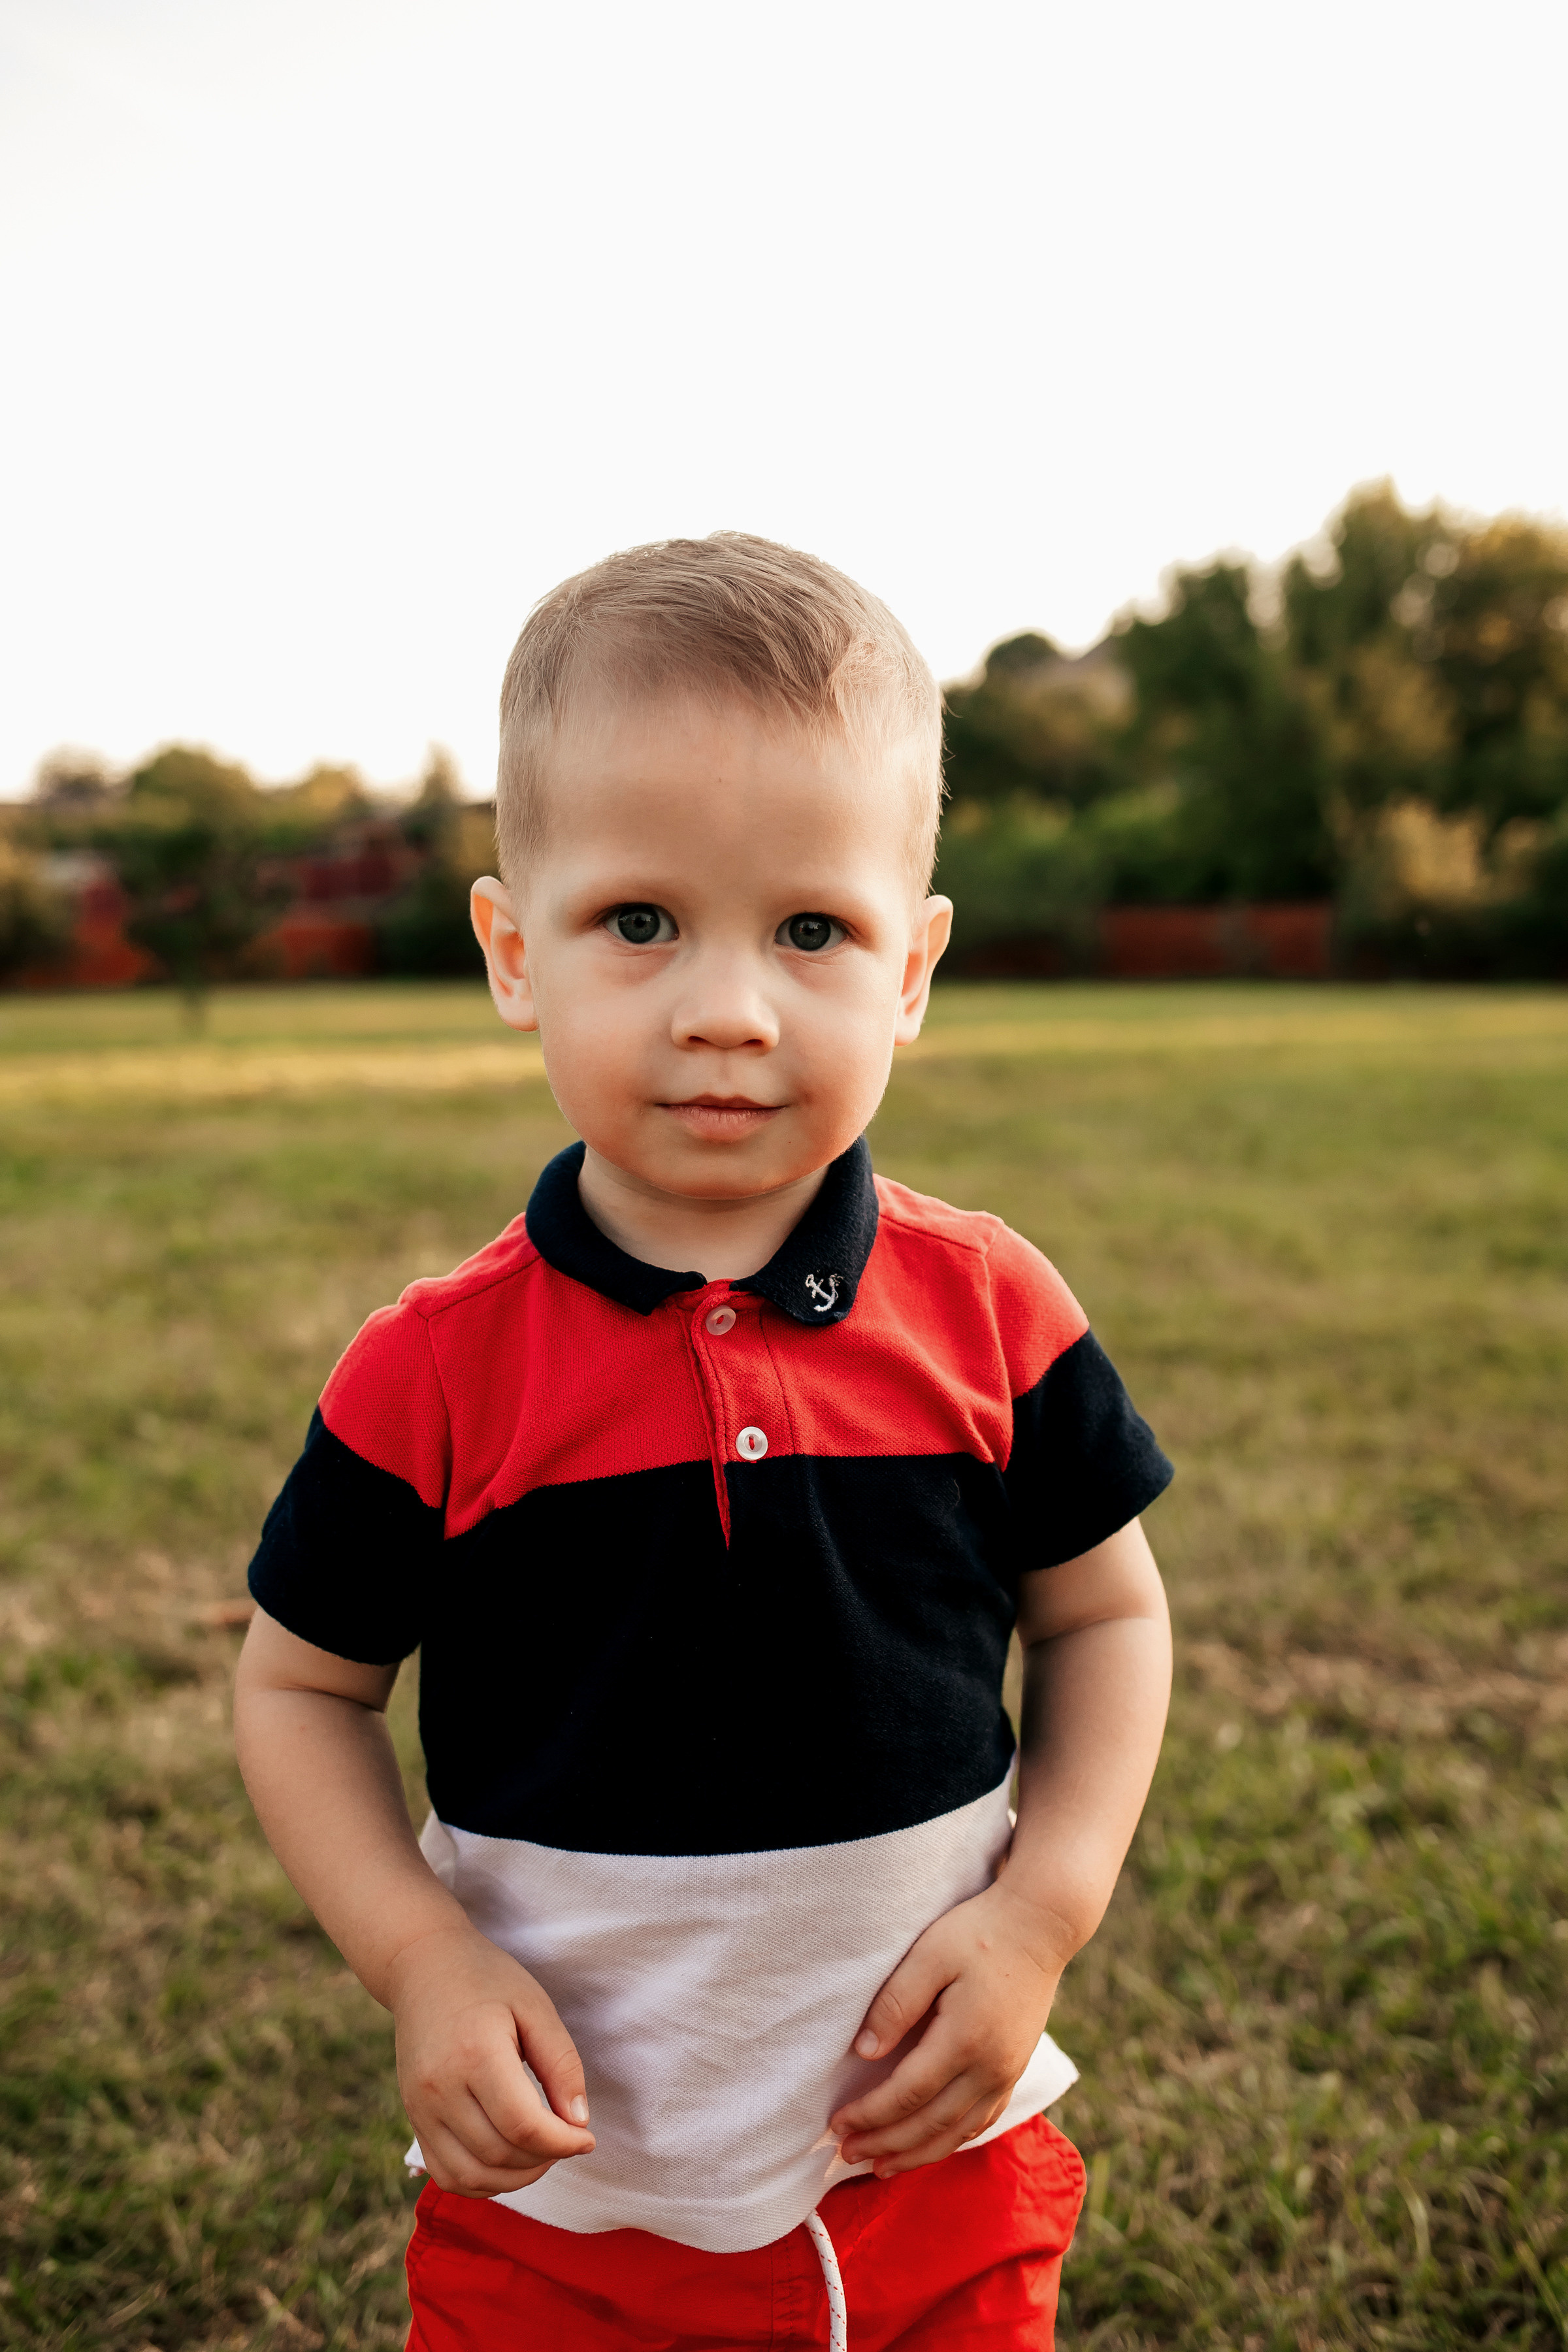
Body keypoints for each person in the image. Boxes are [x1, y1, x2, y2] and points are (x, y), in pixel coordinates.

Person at [233, 533, 1174, 2351]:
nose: (728, 1009)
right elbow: (298, 1690)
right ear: (516, 952)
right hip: (561, 2214)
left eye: (812, 931)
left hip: (930, 2178)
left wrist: (1040, 1918)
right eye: (641, 922)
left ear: (913, 970)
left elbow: (1109, 1615)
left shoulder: (992, 1312)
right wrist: (422, 1960)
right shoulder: (433, 1371)